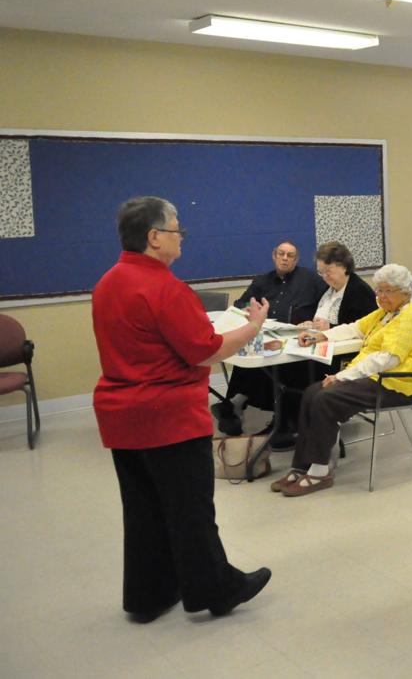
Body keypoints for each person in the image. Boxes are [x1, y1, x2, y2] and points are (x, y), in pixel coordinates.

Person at [91, 196, 272, 622]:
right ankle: (218, 589)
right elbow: (204, 352)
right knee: (191, 510)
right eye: (177, 230)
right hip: (168, 416)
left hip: (123, 416)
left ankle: (147, 596)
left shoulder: (108, 283)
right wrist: (252, 327)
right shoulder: (165, 289)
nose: (181, 237)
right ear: (154, 237)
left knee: (143, 509)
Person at [271, 264, 412, 497]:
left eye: (388, 291)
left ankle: (319, 471)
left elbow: (386, 360)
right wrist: (322, 335)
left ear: (405, 292)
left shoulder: (408, 318)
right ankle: (302, 465)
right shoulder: (386, 313)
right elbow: (355, 328)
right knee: (311, 393)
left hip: (400, 384)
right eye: (379, 290)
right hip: (377, 378)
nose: (381, 296)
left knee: (326, 398)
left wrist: (341, 376)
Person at [264, 241, 378, 450]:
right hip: (325, 346)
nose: (324, 276)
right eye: (321, 272)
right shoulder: (330, 290)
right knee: (281, 365)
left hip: (345, 355)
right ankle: (285, 420)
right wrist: (311, 324)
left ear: (344, 266)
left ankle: (292, 423)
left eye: (329, 271)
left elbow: (364, 330)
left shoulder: (358, 291)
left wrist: (330, 327)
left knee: (292, 368)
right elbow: (322, 319)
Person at [212, 241, 326, 435]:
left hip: (297, 337)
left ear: (296, 260)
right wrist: (248, 310)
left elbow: (327, 302)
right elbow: (241, 303)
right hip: (266, 332)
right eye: (281, 254)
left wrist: (315, 319)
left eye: (290, 255)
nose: (285, 258)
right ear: (274, 256)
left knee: (268, 356)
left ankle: (264, 412)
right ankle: (236, 403)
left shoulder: (310, 279)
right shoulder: (262, 281)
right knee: (250, 348)